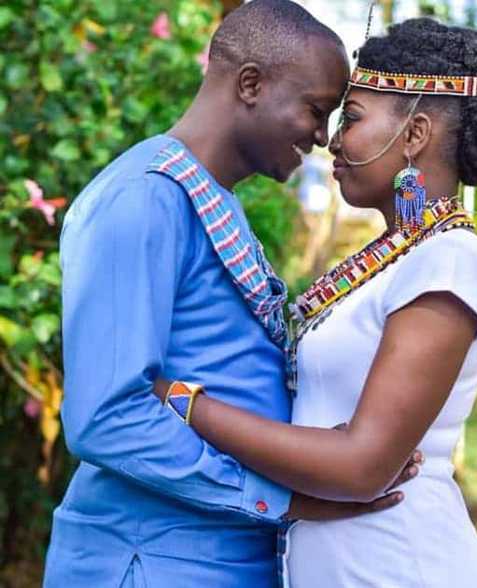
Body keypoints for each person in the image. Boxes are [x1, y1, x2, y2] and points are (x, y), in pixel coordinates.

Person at [45, 2, 416, 586]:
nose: (322, 137)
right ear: (250, 84)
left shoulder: (210, 197)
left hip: (218, 558)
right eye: (315, 110)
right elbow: (107, 417)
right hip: (152, 562)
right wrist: (278, 498)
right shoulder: (143, 199)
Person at [150, 17, 477, 587]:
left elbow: (360, 466)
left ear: (414, 134)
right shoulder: (400, 257)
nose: (331, 139)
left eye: (351, 118)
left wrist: (181, 401)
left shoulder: (450, 261)